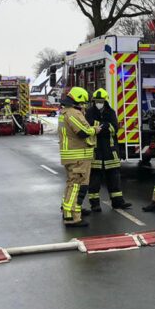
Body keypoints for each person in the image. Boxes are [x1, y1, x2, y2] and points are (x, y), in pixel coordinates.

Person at [86, 88, 132, 212]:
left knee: (114, 178)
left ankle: (118, 202)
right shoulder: (89, 112)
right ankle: (95, 204)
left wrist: (103, 126)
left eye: (101, 101)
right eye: (97, 101)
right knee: (95, 180)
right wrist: (104, 126)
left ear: (105, 101)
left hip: (110, 151)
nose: (98, 103)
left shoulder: (110, 112)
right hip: (96, 151)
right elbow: (89, 126)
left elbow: (114, 128)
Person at [58, 87, 97, 228]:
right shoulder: (73, 113)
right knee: (76, 186)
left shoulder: (64, 113)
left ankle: (70, 212)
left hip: (71, 156)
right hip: (78, 156)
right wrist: (95, 129)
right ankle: (73, 217)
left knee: (71, 185)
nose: (84, 105)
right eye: (83, 102)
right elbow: (84, 132)